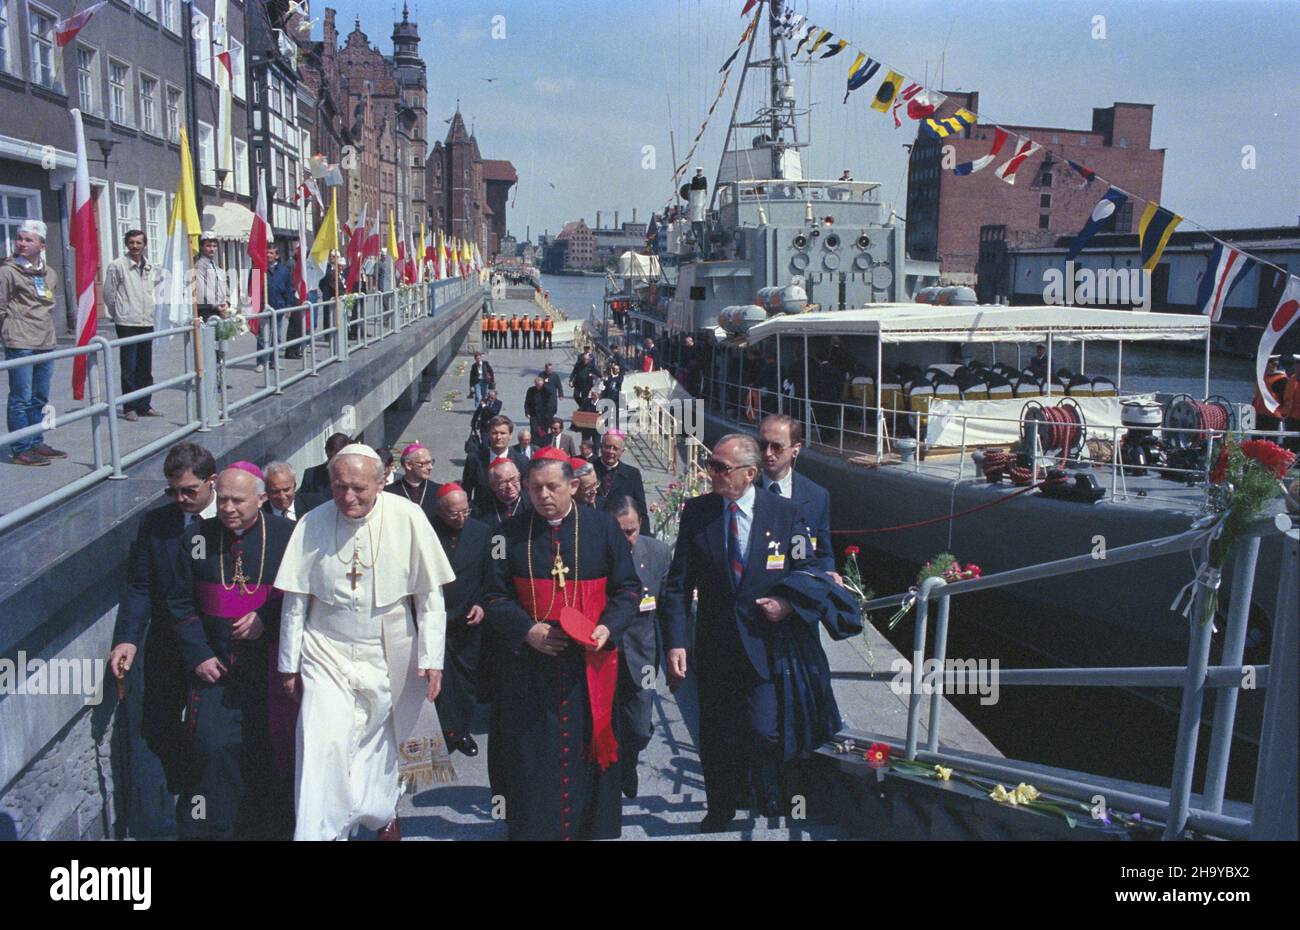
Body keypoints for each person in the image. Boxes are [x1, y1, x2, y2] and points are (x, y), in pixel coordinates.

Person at [660, 434, 849, 832]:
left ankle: (763, 786)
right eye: (710, 465)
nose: (711, 473)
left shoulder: (785, 513)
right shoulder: (699, 512)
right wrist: (676, 640)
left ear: (749, 474)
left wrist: (788, 604)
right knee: (715, 733)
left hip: (765, 645)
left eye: (720, 468)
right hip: (714, 643)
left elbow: (808, 570)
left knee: (764, 730)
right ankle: (721, 807)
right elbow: (677, 583)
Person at [275, 445, 456, 841]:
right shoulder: (312, 522)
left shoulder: (408, 517)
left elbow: (429, 598)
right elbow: (295, 601)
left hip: (390, 650)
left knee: (381, 747)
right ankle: (319, 833)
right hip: (326, 651)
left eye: (359, 488)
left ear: (381, 481)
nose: (348, 498)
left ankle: (380, 813)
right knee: (323, 745)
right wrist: (288, 664)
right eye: (339, 487)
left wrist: (432, 658)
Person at [481, 450, 641, 840]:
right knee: (534, 757)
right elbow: (492, 597)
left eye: (553, 486)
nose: (543, 495)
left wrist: (607, 628)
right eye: (535, 487)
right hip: (531, 668)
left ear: (573, 486)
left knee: (586, 752)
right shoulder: (506, 535)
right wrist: (527, 631)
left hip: (589, 666)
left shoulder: (603, 527)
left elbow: (628, 589)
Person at [168, 463, 297, 839]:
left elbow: (303, 597)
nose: (227, 508)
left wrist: (266, 620)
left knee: (272, 753)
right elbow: (178, 602)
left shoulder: (289, 535)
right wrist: (199, 654)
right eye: (222, 499)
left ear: (260, 497)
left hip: (272, 668)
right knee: (215, 750)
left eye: (237, 500)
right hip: (217, 668)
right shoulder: (196, 538)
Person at [109, 441, 216, 838]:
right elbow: (140, 586)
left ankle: (215, 815)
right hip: (167, 647)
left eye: (189, 490)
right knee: (159, 729)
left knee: (212, 736)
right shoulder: (155, 524)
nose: (181, 498)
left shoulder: (229, 516)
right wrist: (128, 639)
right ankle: (177, 815)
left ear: (212, 482)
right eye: (172, 491)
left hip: (215, 649)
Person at [609, 495, 670, 799]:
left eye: (631, 531)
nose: (627, 538)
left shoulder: (657, 553)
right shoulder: (599, 552)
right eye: (620, 532)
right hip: (605, 653)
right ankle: (608, 777)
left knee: (640, 726)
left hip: (643, 655)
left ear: (640, 525)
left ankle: (628, 760)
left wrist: (675, 650)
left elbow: (669, 606)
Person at [430, 483, 491, 758]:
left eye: (465, 511)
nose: (461, 518)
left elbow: (491, 575)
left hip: (468, 620)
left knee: (465, 682)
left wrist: (482, 604)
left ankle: (461, 731)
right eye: (454, 514)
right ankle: (441, 733)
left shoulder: (482, 532)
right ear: (441, 511)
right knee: (436, 681)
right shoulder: (426, 531)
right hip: (434, 620)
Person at [1, 220, 66, 465]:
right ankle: (21, 448)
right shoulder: (8, 271)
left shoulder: (49, 273)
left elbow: (47, 302)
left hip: (45, 339)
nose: (22, 243)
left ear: (42, 245)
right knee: (21, 397)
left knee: (40, 396)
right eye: (20, 238)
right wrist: (6, 335)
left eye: (29, 240)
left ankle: (36, 441)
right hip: (20, 340)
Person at [756, 414, 836, 574]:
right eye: (763, 445)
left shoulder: (817, 496)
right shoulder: (743, 490)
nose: (768, 453)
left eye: (777, 447)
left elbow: (822, 552)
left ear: (795, 450)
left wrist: (829, 574)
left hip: (797, 588)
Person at [104, 228, 163, 420]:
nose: (135, 246)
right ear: (126, 244)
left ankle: (144, 404)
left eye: (139, 243)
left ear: (145, 245)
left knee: (145, 366)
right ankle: (129, 406)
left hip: (146, 320)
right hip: (127, 321)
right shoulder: (117, 266)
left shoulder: (149, 266)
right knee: (129, 366)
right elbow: (108, 294)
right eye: (132, 243)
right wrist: (119, 313)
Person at [461, 415, 529, 507]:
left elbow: (526, 492)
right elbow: (466, 489)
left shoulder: (522, 461)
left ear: (510, 435)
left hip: (512, 514)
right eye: (494, 433)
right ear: (488, 434)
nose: (498, 437)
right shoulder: (474, 459)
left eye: (503, 433)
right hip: (482, 514)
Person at [594, 430, 648, 528]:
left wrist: (645, 539)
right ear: (601, 447)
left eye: (615, 448)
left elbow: (640, 509)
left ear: (622, 451)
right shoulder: (589, 467)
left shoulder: (632, 474)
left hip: (619, 529)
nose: (611, 451)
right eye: (607, 447)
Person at [386, 442, 438, 524]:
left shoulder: (438, 491)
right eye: (424, 463)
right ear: (408, 465)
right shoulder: (389, 492)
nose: (430, 467)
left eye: (431, 462)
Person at [474, 458, 529, 532]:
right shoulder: (480, 508)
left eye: (513, 479)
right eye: (503, 482)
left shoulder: (532, 503)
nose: (509, 486)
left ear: (519, 477)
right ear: (493, 486)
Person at [269, 245, 301, 360]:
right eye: (267, 253)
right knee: (262, 337)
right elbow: (253, 289)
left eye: (271, 253)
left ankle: (273, 361)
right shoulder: (259, 268)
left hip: (278, 307)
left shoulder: (283, 270)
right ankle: (261, 362)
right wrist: (254, 307)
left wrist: (288, 306)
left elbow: (289, 289)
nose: (268, 255)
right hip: (263, 308)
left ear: (277, 256)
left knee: (276, 336)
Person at [194, 236, 230, 322]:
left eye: (214, 246)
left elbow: (225, 287)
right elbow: (202, 289)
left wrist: (227, 302)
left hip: (221, 309)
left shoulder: (217, 268)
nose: (212, 249)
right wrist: (217, 305)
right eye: (208, 246)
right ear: (201, 247)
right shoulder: (199, 266)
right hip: (207, 310)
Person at [1254, 356, 1289, 435]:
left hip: (1273, 415)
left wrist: (1283, 414)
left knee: (1271, 440)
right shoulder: (1262, 377)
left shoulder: (1282, 379)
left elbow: (1285, 399)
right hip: (1260, 413)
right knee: (1256, 439)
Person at [524, 374, 558, 442]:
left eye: (540, 384)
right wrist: (527, 412)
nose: (538, 386)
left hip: (544, 416)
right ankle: (534, 446)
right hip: (534, 415)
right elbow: (527, 402)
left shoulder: (546, 390)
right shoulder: (531, 390)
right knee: (533, 432)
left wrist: (545, 385)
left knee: (543, 433)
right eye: (537, 384)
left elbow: (551, 393)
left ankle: (542, 445)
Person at [688, 166, 708, 256]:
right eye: (698, 171)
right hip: (696, 198)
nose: (699, 172)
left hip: (701, 199)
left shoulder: (704, 178)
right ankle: (702, 248)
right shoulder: (694, 178)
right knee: (697, 226)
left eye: (700, 171)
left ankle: (704, 249)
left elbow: (705, 187)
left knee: (701, 226)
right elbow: (693, 187)